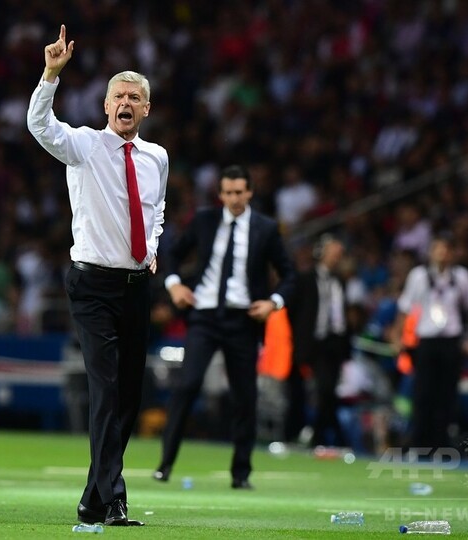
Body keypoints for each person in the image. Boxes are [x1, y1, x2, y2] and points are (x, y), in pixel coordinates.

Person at [27, 25, 168, 526]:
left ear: (146, 108)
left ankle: (93, 498)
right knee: (106, 391)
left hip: (137, 286)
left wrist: (152, 248)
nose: (125, 103)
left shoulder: (157, 158)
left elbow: (156, 210)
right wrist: (51, 74)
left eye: (134, 97)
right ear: (106, 106)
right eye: (118, 97)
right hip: (92, 285)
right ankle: (113, 499)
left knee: (128, 396)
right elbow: (40, 126)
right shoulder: (84, 145)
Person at [153, 164, 295, 489]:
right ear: (220, 194)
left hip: (243, 319)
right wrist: (174, 285)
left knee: (245, 396)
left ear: (250, 192)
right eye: (228, 192)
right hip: (204, 315)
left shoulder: (265, 228)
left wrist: (273, 302)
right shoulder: (204, 220)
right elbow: (172, 254)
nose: (234, 198)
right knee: (187, 385)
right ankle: (165, 464)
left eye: (239, 192)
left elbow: (289, 274)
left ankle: (241, 474)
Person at [392, 235, 468, 451]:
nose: (442, 253)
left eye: (446, 249)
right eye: (438, 249)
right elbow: (405, 308)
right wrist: (398, 336)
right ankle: (419, 443)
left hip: (451, 341)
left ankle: (441, 444)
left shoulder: (461, 277)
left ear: (452, 253)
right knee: (423, 392)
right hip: (426, 341)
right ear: (430, 252)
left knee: (447, 395)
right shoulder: (419, 276)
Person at [287, 234, 351, 447]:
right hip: (311, 342)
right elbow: (294, 311)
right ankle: (304, 432)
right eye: (334, 252)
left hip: (334, 342)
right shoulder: (305, 279)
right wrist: (296, 340)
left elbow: (343, 314)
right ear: (321, 253)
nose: (337, 257)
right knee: (312, 390)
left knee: (329, 390)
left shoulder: (340, 281)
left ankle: (319, 435)